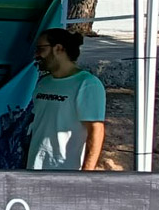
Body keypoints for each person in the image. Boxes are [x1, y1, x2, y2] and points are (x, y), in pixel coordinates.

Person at [27, 28, 106, 170]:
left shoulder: (87, 84)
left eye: (41, 49)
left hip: (67, 171)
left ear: (58, 48)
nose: (36, 54)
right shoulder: (43, 83)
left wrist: (87, 173)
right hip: (34, 168)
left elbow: (96, 129)